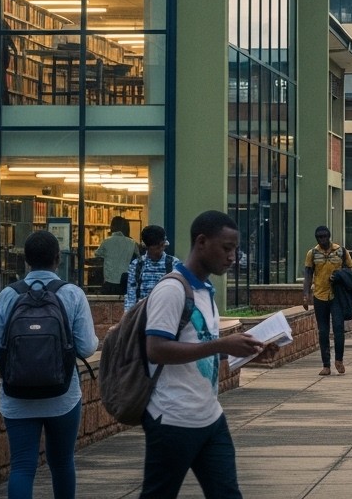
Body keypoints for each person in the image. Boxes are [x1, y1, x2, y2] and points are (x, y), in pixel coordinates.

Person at [141, 210, 264, 498]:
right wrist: (221, 345)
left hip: (210, 417)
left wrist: (246, 350)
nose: (232, 256)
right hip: (172, 419)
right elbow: (156, 349)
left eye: (235, 249)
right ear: (201, 242)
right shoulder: (172, 290)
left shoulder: (205, 290)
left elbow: (201, 348)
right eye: (227, 248)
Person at [0, 230, 98, 499]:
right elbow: (86, 347)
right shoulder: (72, 294)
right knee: (61, 463)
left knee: (22, 467)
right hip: (63, 396)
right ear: (58, 259)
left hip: (17, 397)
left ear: (26, 261)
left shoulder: (8, 295)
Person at [303, 225, 352, 375]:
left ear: (329, 236)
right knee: (323, 331)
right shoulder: (312, 253)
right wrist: (306, 295)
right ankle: (326, 364)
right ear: (317, 238)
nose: (323, 239)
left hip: (336, 296)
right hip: (320, 295)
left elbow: (350, 270)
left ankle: (339, 359)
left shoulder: (341, 251)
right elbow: (308, 274)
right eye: (320, 237)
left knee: (338, 329)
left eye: (325, 236)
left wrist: (339, 275)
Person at [124, 225, 180, 313]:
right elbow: (131, 295)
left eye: (161, 247)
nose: (159, 250)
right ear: (146, 247)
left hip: (166, 314)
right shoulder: (137, 265)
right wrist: (128, 317)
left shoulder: (173, 264)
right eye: (155, 248)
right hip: (142, 315)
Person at [95, 216, 137, 296]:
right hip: (126, 281)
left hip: (109, 281)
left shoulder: (107, 241)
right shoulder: (132, 243)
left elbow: (97, 254)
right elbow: (138, 259)